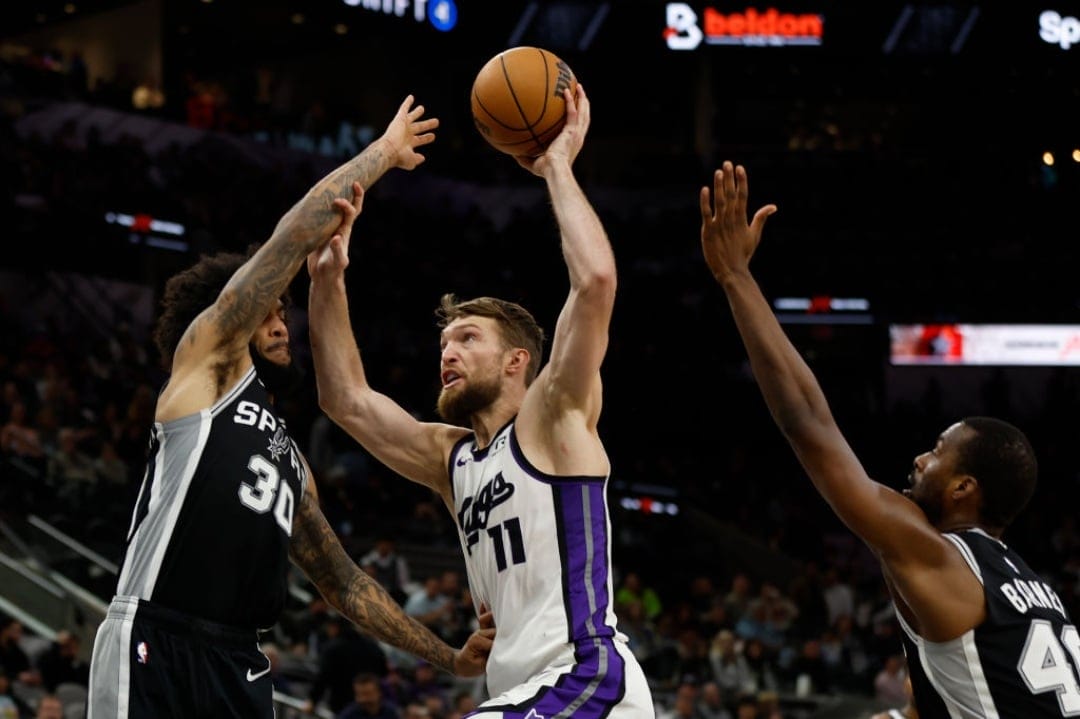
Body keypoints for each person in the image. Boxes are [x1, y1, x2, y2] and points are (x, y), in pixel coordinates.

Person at [86, 96, 494, 719]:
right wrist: (382, 154)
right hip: (156, 636)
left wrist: (447, 656)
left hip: (240, 660)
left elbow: (344, 583)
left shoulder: (291, 460)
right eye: (273, 311)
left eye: (284, 312)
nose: (283, 322)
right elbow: (290, 237)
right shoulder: (210, 365)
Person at [308, 84, 654, 717]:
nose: (448, 353)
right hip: (517, 690)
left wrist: (556, 167)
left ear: (518, 361)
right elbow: (346, 400)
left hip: (586, 675)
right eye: (444, 342)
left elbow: (597, 281)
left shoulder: (554, 415)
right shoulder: (452, 458)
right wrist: (329, 279)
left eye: (467, 339)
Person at [698, 160, 1075, 717]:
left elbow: (807, 423)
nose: (921, 458)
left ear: (964, 488)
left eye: (939, 452)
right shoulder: (1038, 594)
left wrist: (736, 277)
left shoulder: (942, 557)